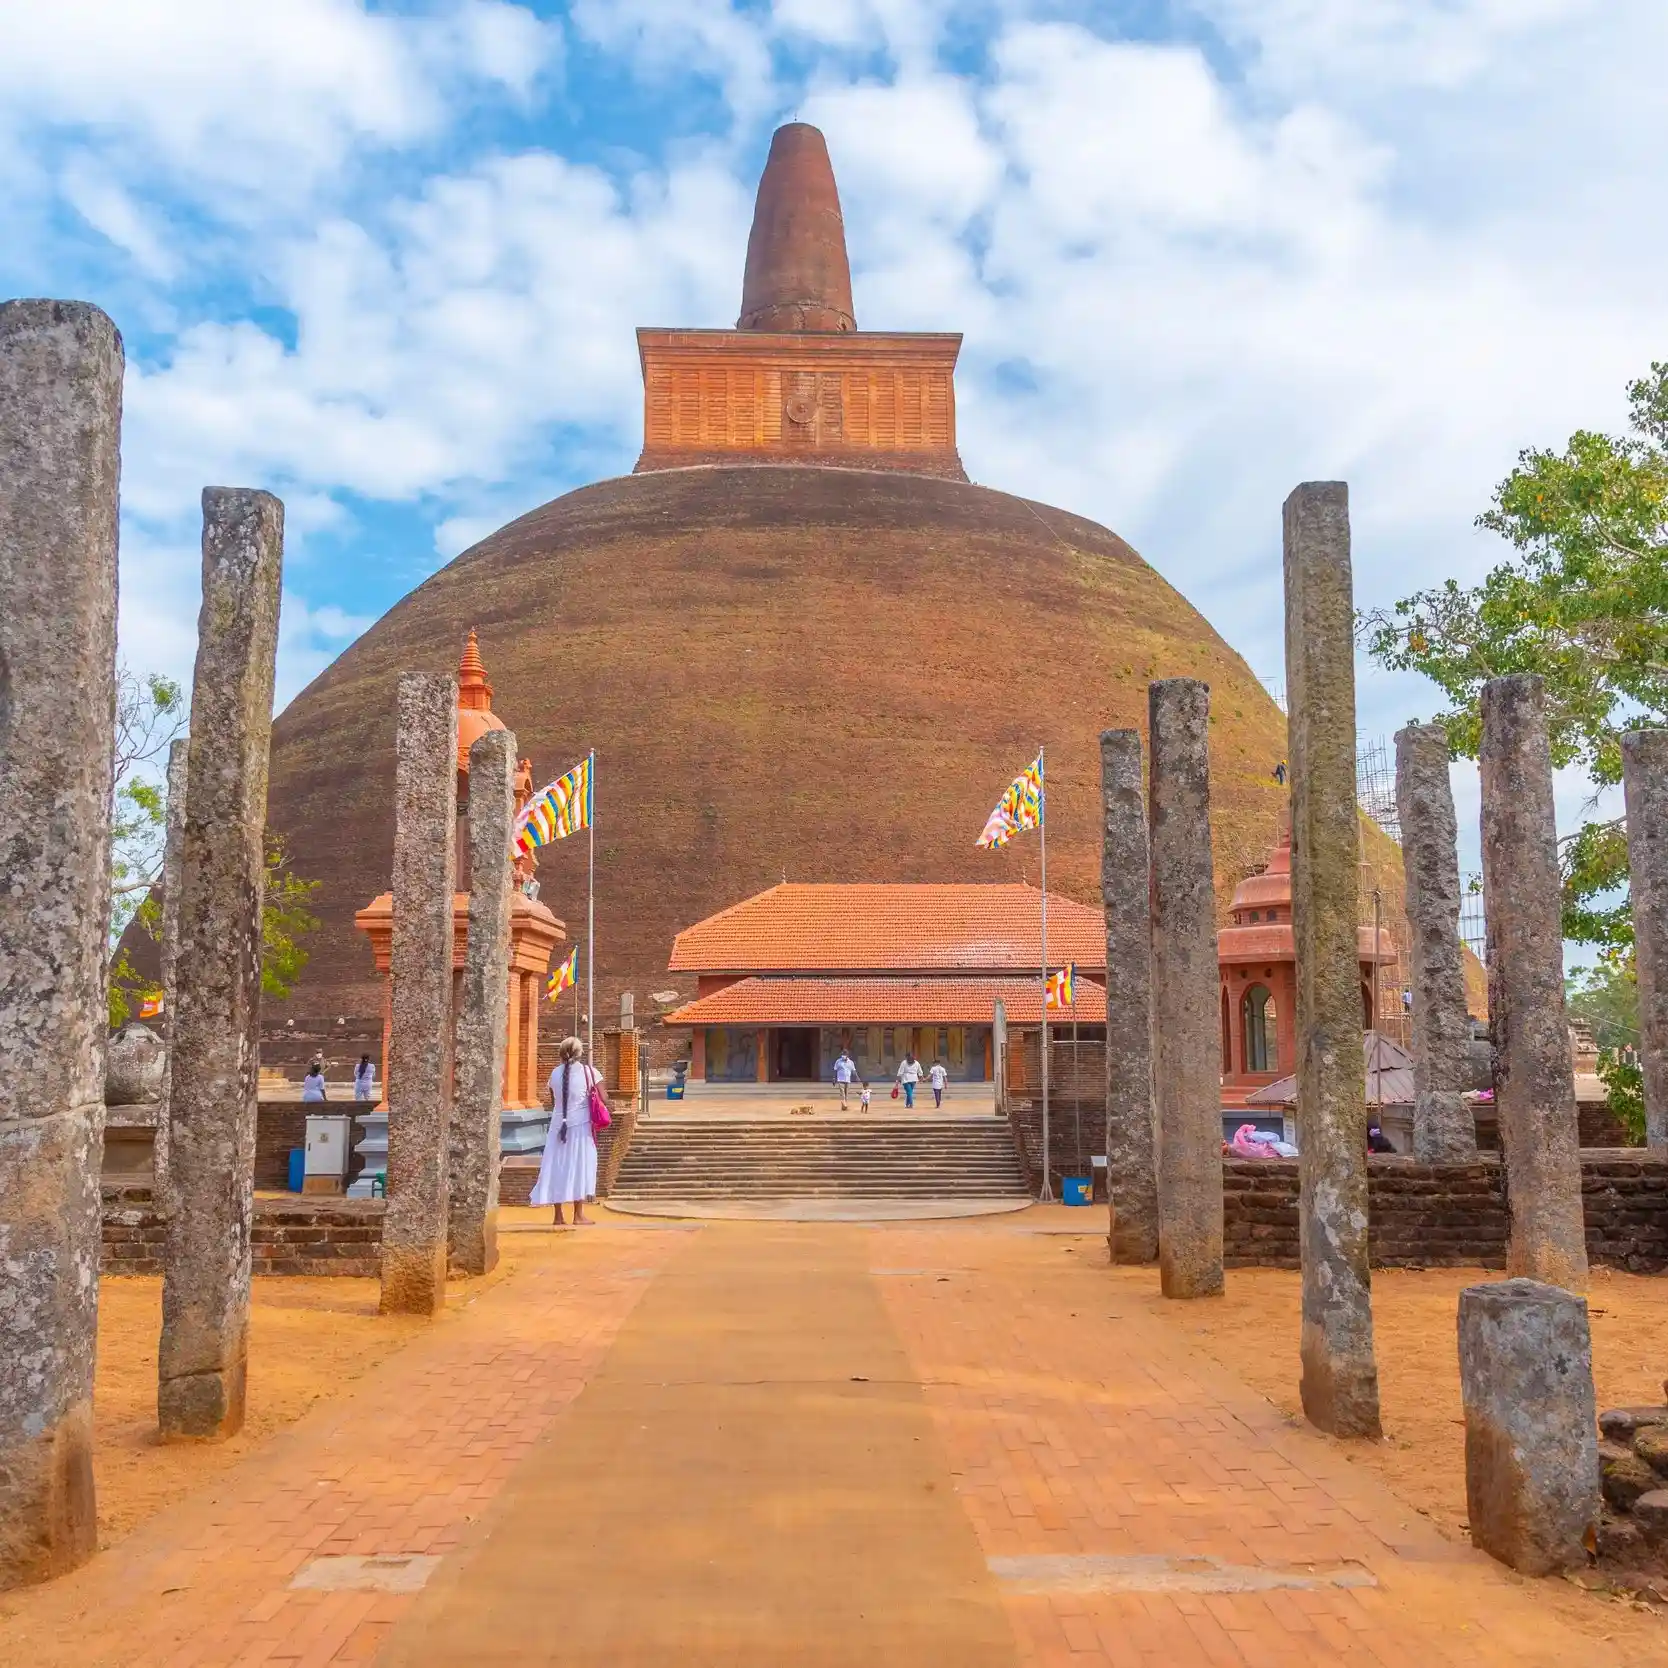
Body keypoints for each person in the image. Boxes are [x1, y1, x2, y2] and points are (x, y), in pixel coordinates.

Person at [531, 1036, 607, 1226]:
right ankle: (578, 1215)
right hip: (580, 1127)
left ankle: (558, 1216)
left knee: (557, 1167)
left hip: (557, 1127)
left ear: (561, 1054)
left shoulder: (554, 1074)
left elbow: (554, 1101)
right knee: (580, 1166)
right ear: (580, 1054)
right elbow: (604, 1097)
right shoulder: (589, 1072)